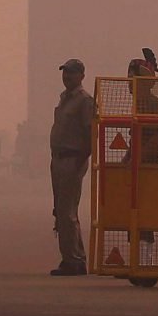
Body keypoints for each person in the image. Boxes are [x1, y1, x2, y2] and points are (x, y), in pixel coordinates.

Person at [48, 58, 95, 275]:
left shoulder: (84, 101)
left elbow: (90, 134)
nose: (67, 77)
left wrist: (80, 160)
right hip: (58, 159)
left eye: (71, 73)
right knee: (61, 210)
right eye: (65, 73)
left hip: (72, 158)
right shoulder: (64, 98)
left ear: (81, 76)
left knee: (68, 212)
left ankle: (74, 260)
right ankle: (72, 257)